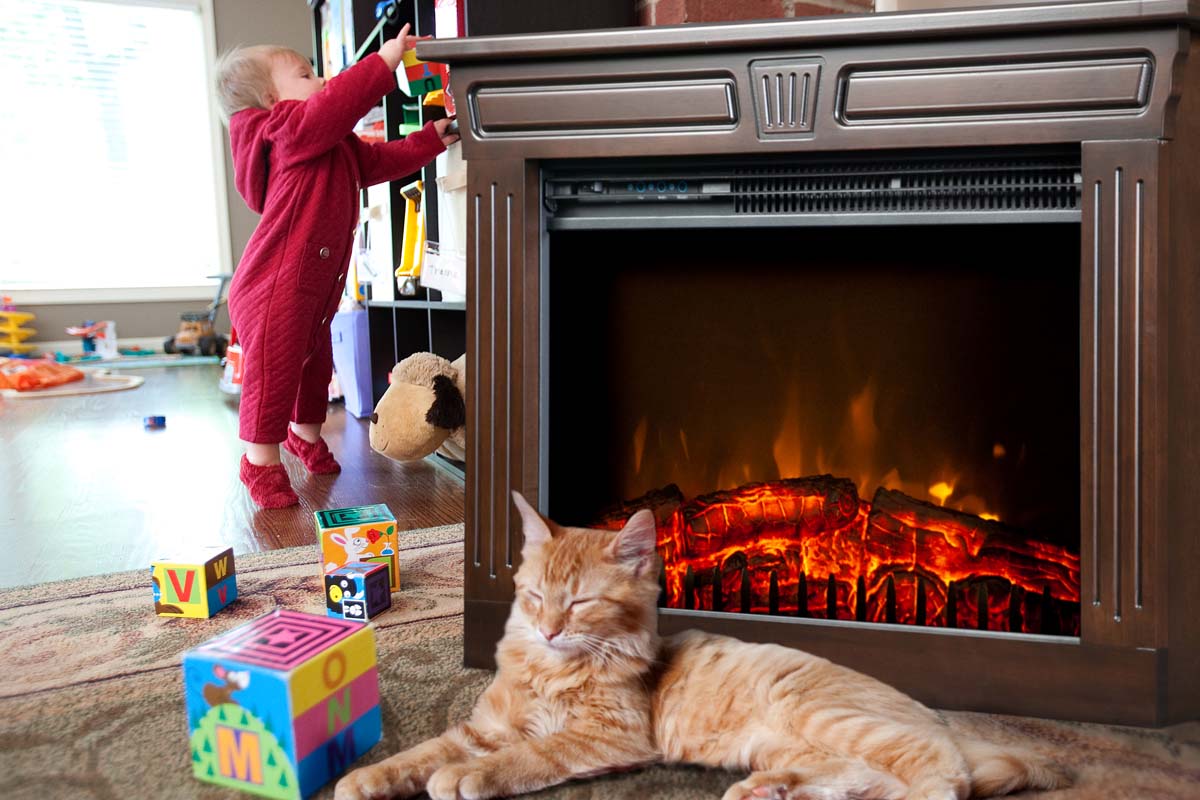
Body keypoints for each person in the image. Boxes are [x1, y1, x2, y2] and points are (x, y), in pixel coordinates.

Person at [215, 24, 458, 508]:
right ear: (270, 99)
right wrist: (384, 60)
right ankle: (259, 463)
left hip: (310, 286)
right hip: (272, 286)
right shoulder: (287, 131)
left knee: (314, 365)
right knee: (274, 375)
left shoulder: (329, 144)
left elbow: (380, 161)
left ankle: (303, 436)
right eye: (305, 74)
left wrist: (433, 138)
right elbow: (333, 106)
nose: (322, 81)